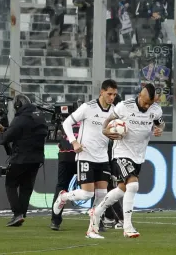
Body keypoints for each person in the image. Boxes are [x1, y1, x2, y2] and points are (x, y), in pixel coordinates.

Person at [88, 84, 164, 239]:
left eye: (150, 103)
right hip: (121, 152)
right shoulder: (124, 107)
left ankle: (97, 211)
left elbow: (160, 123)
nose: (147, 106)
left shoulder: (155, 109)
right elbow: (108, 120)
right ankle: (127, 226)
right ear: (140, 96)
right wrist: (105, 130)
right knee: (133, 184)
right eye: (145, 102)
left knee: (122, 189)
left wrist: (159, 129)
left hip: (139, 154)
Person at [52, 80, 119, 235]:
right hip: (86, 156)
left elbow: (115, 131)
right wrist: (74, 142)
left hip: (102, 157)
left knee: (102, 194)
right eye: (109, 94)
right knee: (87, 193)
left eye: (114, 94)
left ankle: (93, 226)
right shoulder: (88, 107)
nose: (112, 97)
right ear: (101, 92)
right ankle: (64, 196)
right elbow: (67, 123)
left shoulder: (115, 111)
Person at [0, 94, 48, 227]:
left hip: (20, 158)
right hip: (36, 159)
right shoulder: (40, 117)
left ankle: (17, 214)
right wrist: (4, 129)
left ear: (18, 106)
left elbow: (4, 139)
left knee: (10, 184)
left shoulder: (20, 119)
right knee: (26, 188)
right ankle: (21, 215)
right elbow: (23, 132)